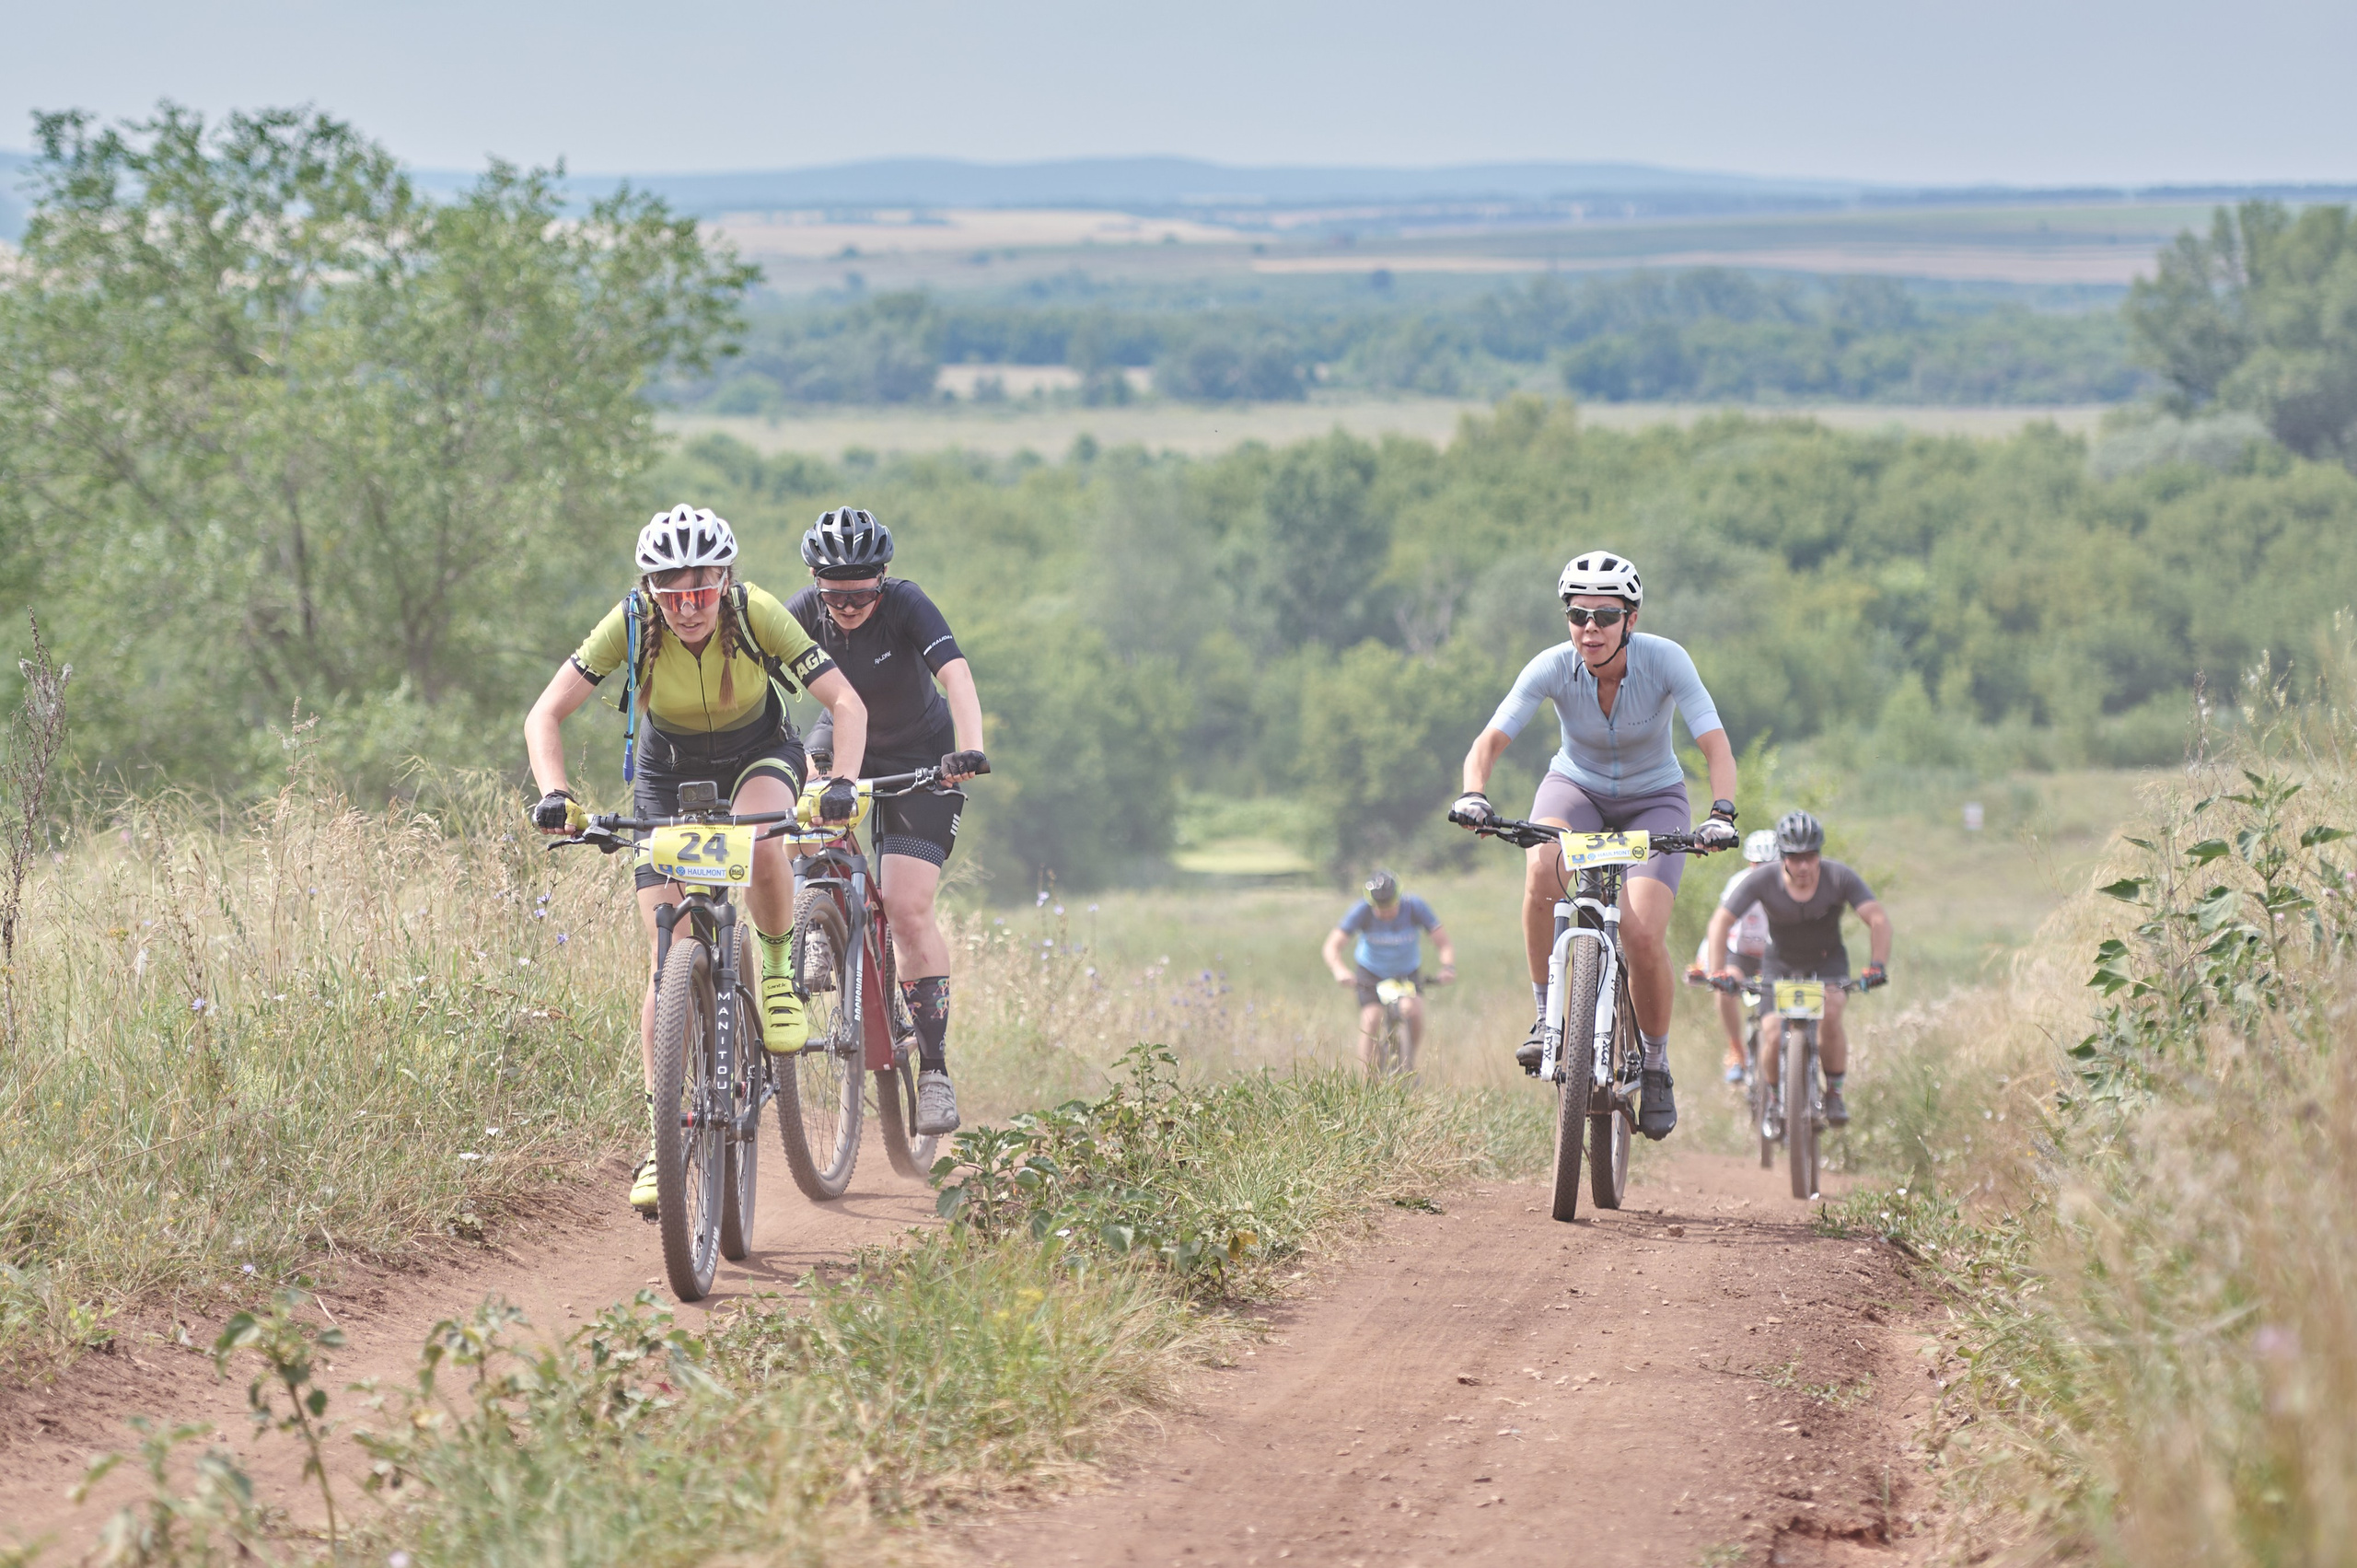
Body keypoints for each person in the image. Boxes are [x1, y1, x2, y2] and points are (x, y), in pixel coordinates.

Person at [523, 505, 870, 1213]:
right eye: (671, 591)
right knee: (666, 961)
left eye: (702, 589)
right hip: (666, 769)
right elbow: (544, 714)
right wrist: (554, 792)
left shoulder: (757, 612)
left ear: (725, 579)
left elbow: (848, 703)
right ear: (651, 589)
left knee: (763, 838)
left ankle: (775, 971)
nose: (687, 606)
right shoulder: (629, 623)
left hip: (757, 751)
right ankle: (664, 1137)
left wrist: (837, 785)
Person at [1447, 549, 1738, 1141]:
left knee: (1641, 932)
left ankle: (1654, 1064)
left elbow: (1715, 745)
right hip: (1574, 790)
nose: (1590, 630)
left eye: (1605, 617)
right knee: (1541, 873)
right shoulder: (1552, 666)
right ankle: (1543, 1015)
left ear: (1631, 618)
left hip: (1654, 801)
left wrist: (1721, 813)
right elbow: (1490, 740)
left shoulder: (1666, 661)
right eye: (1578, 616)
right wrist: (1473, 794)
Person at [787, 506, 987, 1141]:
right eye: (835, 595)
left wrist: (968, 746)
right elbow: (758, 686)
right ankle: (816, 910)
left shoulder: (907, 605)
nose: (847, 607)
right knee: (804, 803)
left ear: (884, 580)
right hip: (842, 740)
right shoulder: (801, 610)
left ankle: (933, 1067)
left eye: (862, 593)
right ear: (816, 583)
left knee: (905, 907)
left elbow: (955, 675)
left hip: (919, 754)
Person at [1704, 810, 1892, 1127]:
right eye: (1794, 857)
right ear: (1782, 856)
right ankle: (1776, 1100)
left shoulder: (1839, 877)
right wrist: (1718, 969)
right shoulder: (1763, 880)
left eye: (1810, 856)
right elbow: (1721, 921)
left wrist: (1877, 965)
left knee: (1831, 1014)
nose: (1804, 866)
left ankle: (1834, 1093)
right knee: (1772, 1031)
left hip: (1827, 960)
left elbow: (1877, 919)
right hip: (1780, 962)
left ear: (1819, 854)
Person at [1321, 870, 1457, 1072]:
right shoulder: (1361, 910)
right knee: (1371, 1019)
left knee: (1414, 1011)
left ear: (1398, 898)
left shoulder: (1414, 907)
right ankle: (1368, 1079)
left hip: (1406, 972)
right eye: (1380, 909)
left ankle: (1408, 1063)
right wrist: (1339, 970)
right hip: (1371, 972)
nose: (1385, 913)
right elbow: (1332, 946)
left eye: (1390, 907)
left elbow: (1442, 941)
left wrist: (1447, 967)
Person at [1694, 830, 1780, 1083]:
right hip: (1739, 954)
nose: (1763, 871)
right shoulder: (1739, 884)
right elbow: (1718, 927)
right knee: (1725, 986)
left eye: (1770, 865)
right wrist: (1708, 965)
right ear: (1749, 862)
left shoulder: (1790, 885)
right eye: (1757, 864)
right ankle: (1736, 1050)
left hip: (1774, 956)